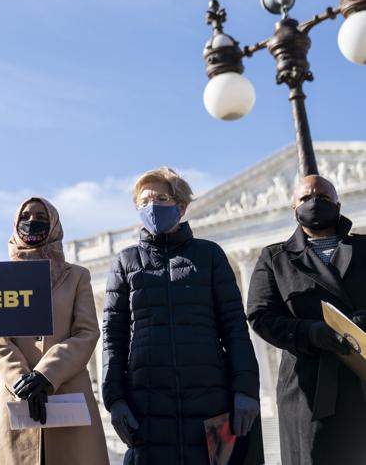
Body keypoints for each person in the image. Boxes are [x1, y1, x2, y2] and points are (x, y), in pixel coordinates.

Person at [102, 167, 261, 464]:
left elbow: (235, 328)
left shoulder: (209, 255)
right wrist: (115, 399)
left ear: (181, 206)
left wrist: (246, 389)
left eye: (161, 198)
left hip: (209, 402)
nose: (151, 206)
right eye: (144, 201)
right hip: (147, 406)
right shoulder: (125, 262)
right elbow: (113, 337)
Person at [246, 174, 366, 465]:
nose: (314, 202)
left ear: (337, 204)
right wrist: (309, 333)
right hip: (308, 389)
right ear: (294, 208)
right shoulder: (275, 258)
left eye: (323, 197)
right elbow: (260, 315)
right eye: (305, 198)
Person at [0, 197, 108, 465]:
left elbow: (87, 332)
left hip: (67, 395)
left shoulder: (77, 276)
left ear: (54, 225)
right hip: (15, 396)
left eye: (40, 217)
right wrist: (22, 381)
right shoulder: (0, 279)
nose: (32, 222)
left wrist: (45, 375)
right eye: (26, 217)